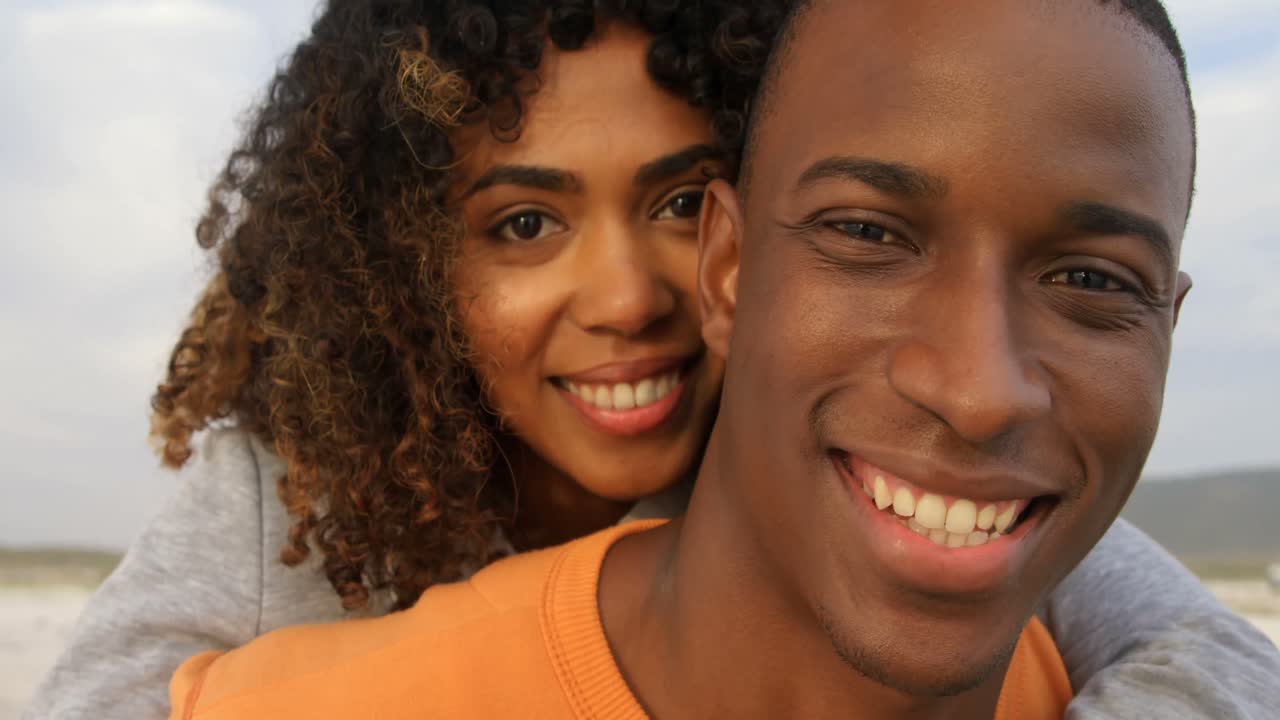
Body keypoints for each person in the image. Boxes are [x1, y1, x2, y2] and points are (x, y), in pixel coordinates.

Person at [28, 1, 1280, 718]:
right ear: (405, 265)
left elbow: (1210, 659)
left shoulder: (868, 449)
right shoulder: (295, 498)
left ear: (741, 245)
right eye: (525, 224)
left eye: (679, 203)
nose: (629, 296)